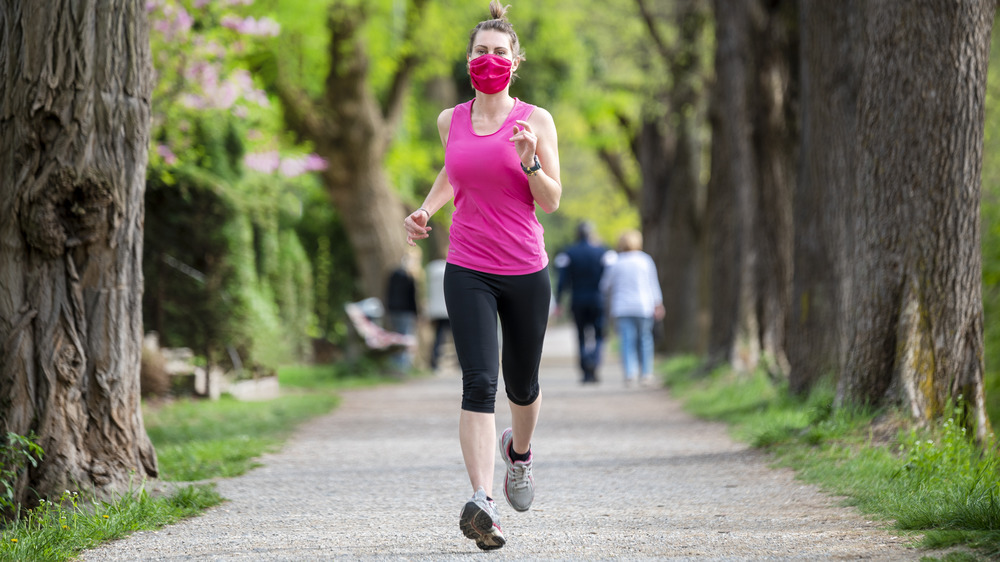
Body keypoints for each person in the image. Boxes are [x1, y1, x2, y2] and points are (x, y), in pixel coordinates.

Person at [402, 0, 561, 551]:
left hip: (524, 268)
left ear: (514, 62)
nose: (488, 59)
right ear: (468, 59)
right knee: (478, 382)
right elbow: (454, 169)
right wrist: (426, 209)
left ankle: (519, 454)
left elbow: (553, 200)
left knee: (523, 383)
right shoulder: (452, 119)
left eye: (499, 52)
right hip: (467, 265)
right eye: (480, 52)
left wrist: (530, 161)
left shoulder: (535, 120)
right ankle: (481, 502)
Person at [600, 229, 665, 387]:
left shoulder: (616, 262)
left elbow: (604, 286)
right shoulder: (645, 260)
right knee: (645, 339)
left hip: (622, 307)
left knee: (627, 341)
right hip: (643, 306)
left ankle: (630, 373)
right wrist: (658, 304)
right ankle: (646, 374)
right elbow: (653, 284)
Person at [554, 221, 612, 384]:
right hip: (597, 299)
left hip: (577, 299)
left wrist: (559, 300)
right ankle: (594, 361)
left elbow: (562, 280)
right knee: (599, 334)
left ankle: (585, 370)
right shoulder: (602, 252)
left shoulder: (569, 253)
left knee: (580, 335)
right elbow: (609, 278)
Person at [385, 251, 419, 371]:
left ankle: (397, 365)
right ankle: (402, 366)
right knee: (405, 337)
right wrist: (416, 314)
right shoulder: (409, 276)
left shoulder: (394, 274)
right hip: (405, 311)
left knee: (396, 337)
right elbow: (412, 298)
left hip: (394, 310)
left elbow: (388, 293)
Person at [425, 257, 451, 371]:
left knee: (438, 337)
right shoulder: (449, 268)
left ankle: (434, 363)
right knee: (457, 337)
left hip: (436, 310)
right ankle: (461, 363)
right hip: (449, 309)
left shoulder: (431, 269)